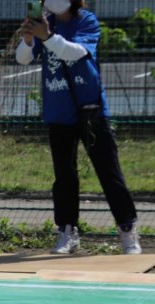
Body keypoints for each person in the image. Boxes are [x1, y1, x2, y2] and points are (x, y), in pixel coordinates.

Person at [16, 0, 142, 255]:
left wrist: (47, 36)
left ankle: (127, 230)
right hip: (58, 112)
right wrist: (30, 39)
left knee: (109, 172)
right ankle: (67, 231)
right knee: (64, 177)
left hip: (90, 111)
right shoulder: (45, 24)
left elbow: (77, 52)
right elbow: (22, 59)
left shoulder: (87, 21)